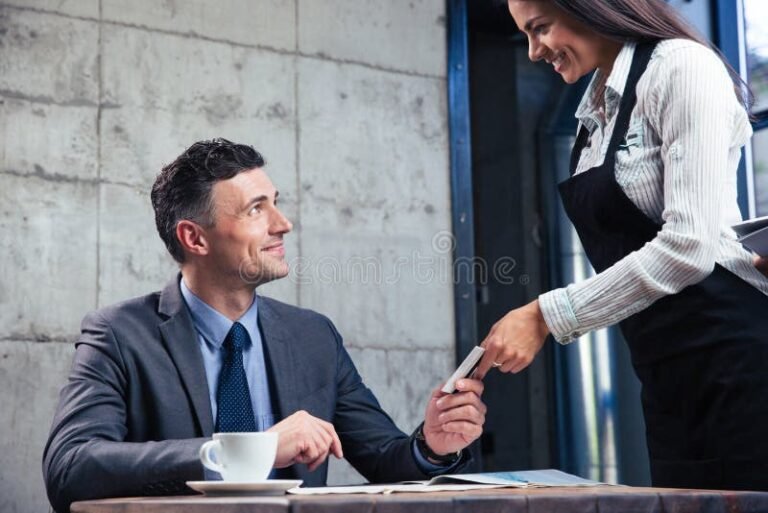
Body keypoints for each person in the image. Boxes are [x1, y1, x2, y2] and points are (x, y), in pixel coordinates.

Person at [43, 139, 486, 513]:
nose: (283, 224)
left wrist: (432, 444)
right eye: (257, 209)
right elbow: (70, 468)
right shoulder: (119, 334)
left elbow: (386, 461)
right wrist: (251, 452)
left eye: (276, 203)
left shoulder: (314, 336)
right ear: (194, 238)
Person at [473, 0, 768, 491]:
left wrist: (545, 315)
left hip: (740, 360)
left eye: (539, 28)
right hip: (665, 377)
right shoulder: (592, 114)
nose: (532, 51)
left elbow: (689, 245)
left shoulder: (681, 67)